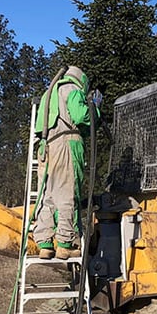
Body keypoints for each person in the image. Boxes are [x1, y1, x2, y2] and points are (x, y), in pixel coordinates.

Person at [32, 65, 100, 260]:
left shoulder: (49, 94)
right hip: (65, 145)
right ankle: (65, 243)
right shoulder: (72, 90)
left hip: (46, 147)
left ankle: (45, 243)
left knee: (48, 196)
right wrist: (94, 108)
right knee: (67, 193)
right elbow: (81, 117)